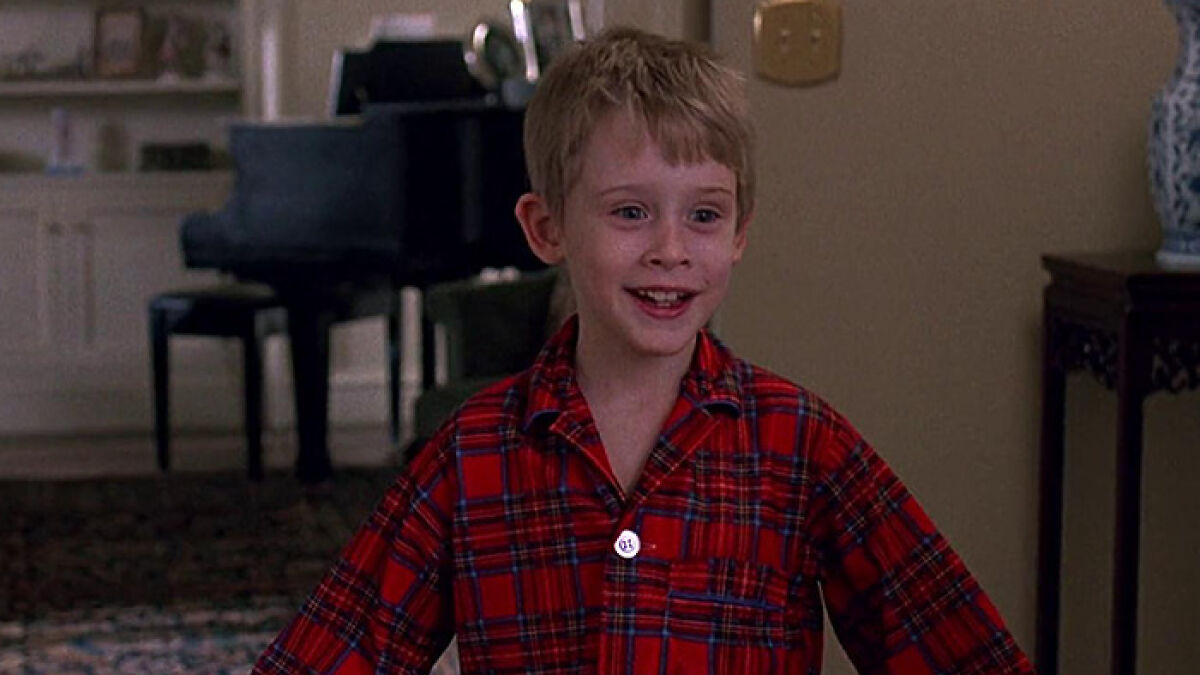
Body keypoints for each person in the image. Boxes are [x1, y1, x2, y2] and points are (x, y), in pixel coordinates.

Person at [254, 27, 1033, 674]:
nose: (671, 249)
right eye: (630, 212)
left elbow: (960, 648)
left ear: (740, 233)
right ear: (546, 228)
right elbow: (333, 650)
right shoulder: (472, 453)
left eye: (704, 215)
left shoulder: (803, 444)